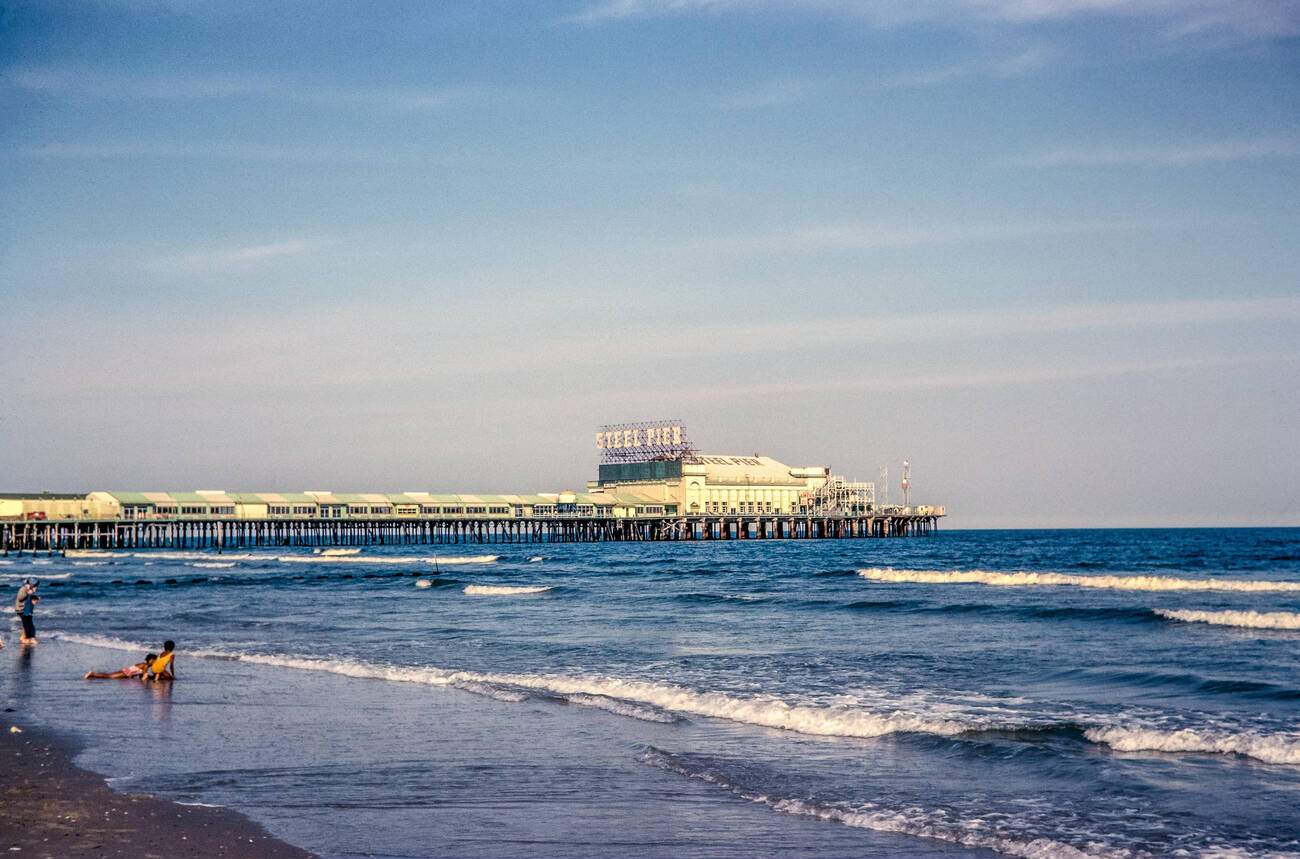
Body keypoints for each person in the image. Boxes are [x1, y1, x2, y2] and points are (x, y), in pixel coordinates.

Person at [85, 653, 155, 680]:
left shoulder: (143, 664)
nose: (155, 663)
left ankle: (93, 675)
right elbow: (144, 676)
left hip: (126, 672)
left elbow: (140, 675)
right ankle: (92, 674)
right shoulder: (146, 665)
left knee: (109, 675)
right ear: (151, 660)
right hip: (126, 673)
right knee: (109, 676)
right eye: (154, 661)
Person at [14, 579, 39, 645]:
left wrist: (35, 598)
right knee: (27, 624)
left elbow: (29, 598)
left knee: (29, 624)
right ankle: (28, 638)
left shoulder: (29, 590)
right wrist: (27, 592)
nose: (36, 588)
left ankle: (27, 637)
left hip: (27, 610)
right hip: (21, 610)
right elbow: (20, 598)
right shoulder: (23, 589)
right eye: (35, 586)